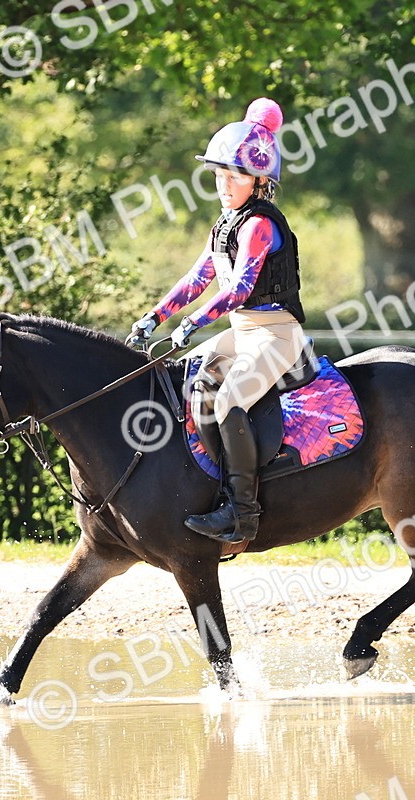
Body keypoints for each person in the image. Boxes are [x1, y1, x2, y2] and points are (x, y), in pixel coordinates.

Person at [129, 98, 306, 545]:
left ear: (259, 179)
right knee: (187, 380)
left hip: (275, 333)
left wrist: (193, 324)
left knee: (228, 401)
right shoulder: (225, 223)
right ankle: (206, 484)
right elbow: (198, 278)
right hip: (243, 332)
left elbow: (239, 289)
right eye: (218, 175)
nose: (224, 184)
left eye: (235, 176)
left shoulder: (259, 227)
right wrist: (155, 316)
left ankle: (243, 513)